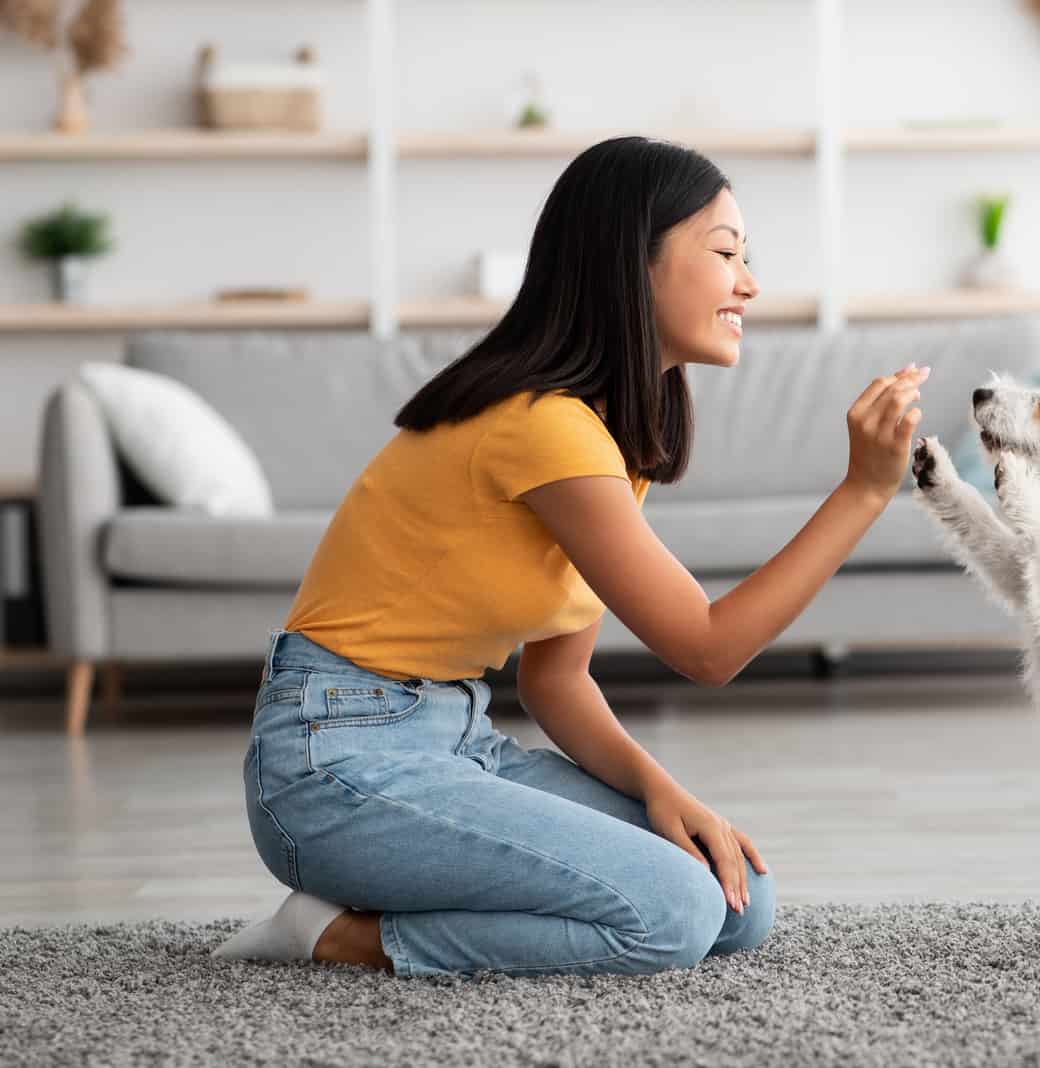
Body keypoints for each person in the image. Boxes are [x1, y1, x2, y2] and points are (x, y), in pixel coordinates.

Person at [212, 136, 931, 978]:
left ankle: (405, 894)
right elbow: (707, 647)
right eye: (727, 252)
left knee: (738, 904)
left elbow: (557, 679)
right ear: (635, 263)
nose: (749, 282)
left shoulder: (604, 439)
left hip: (452, 739)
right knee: (674, 911)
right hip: (331, 759)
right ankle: (335, 934)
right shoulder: (540, 425)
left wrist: (661, 790)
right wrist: (864, 493)